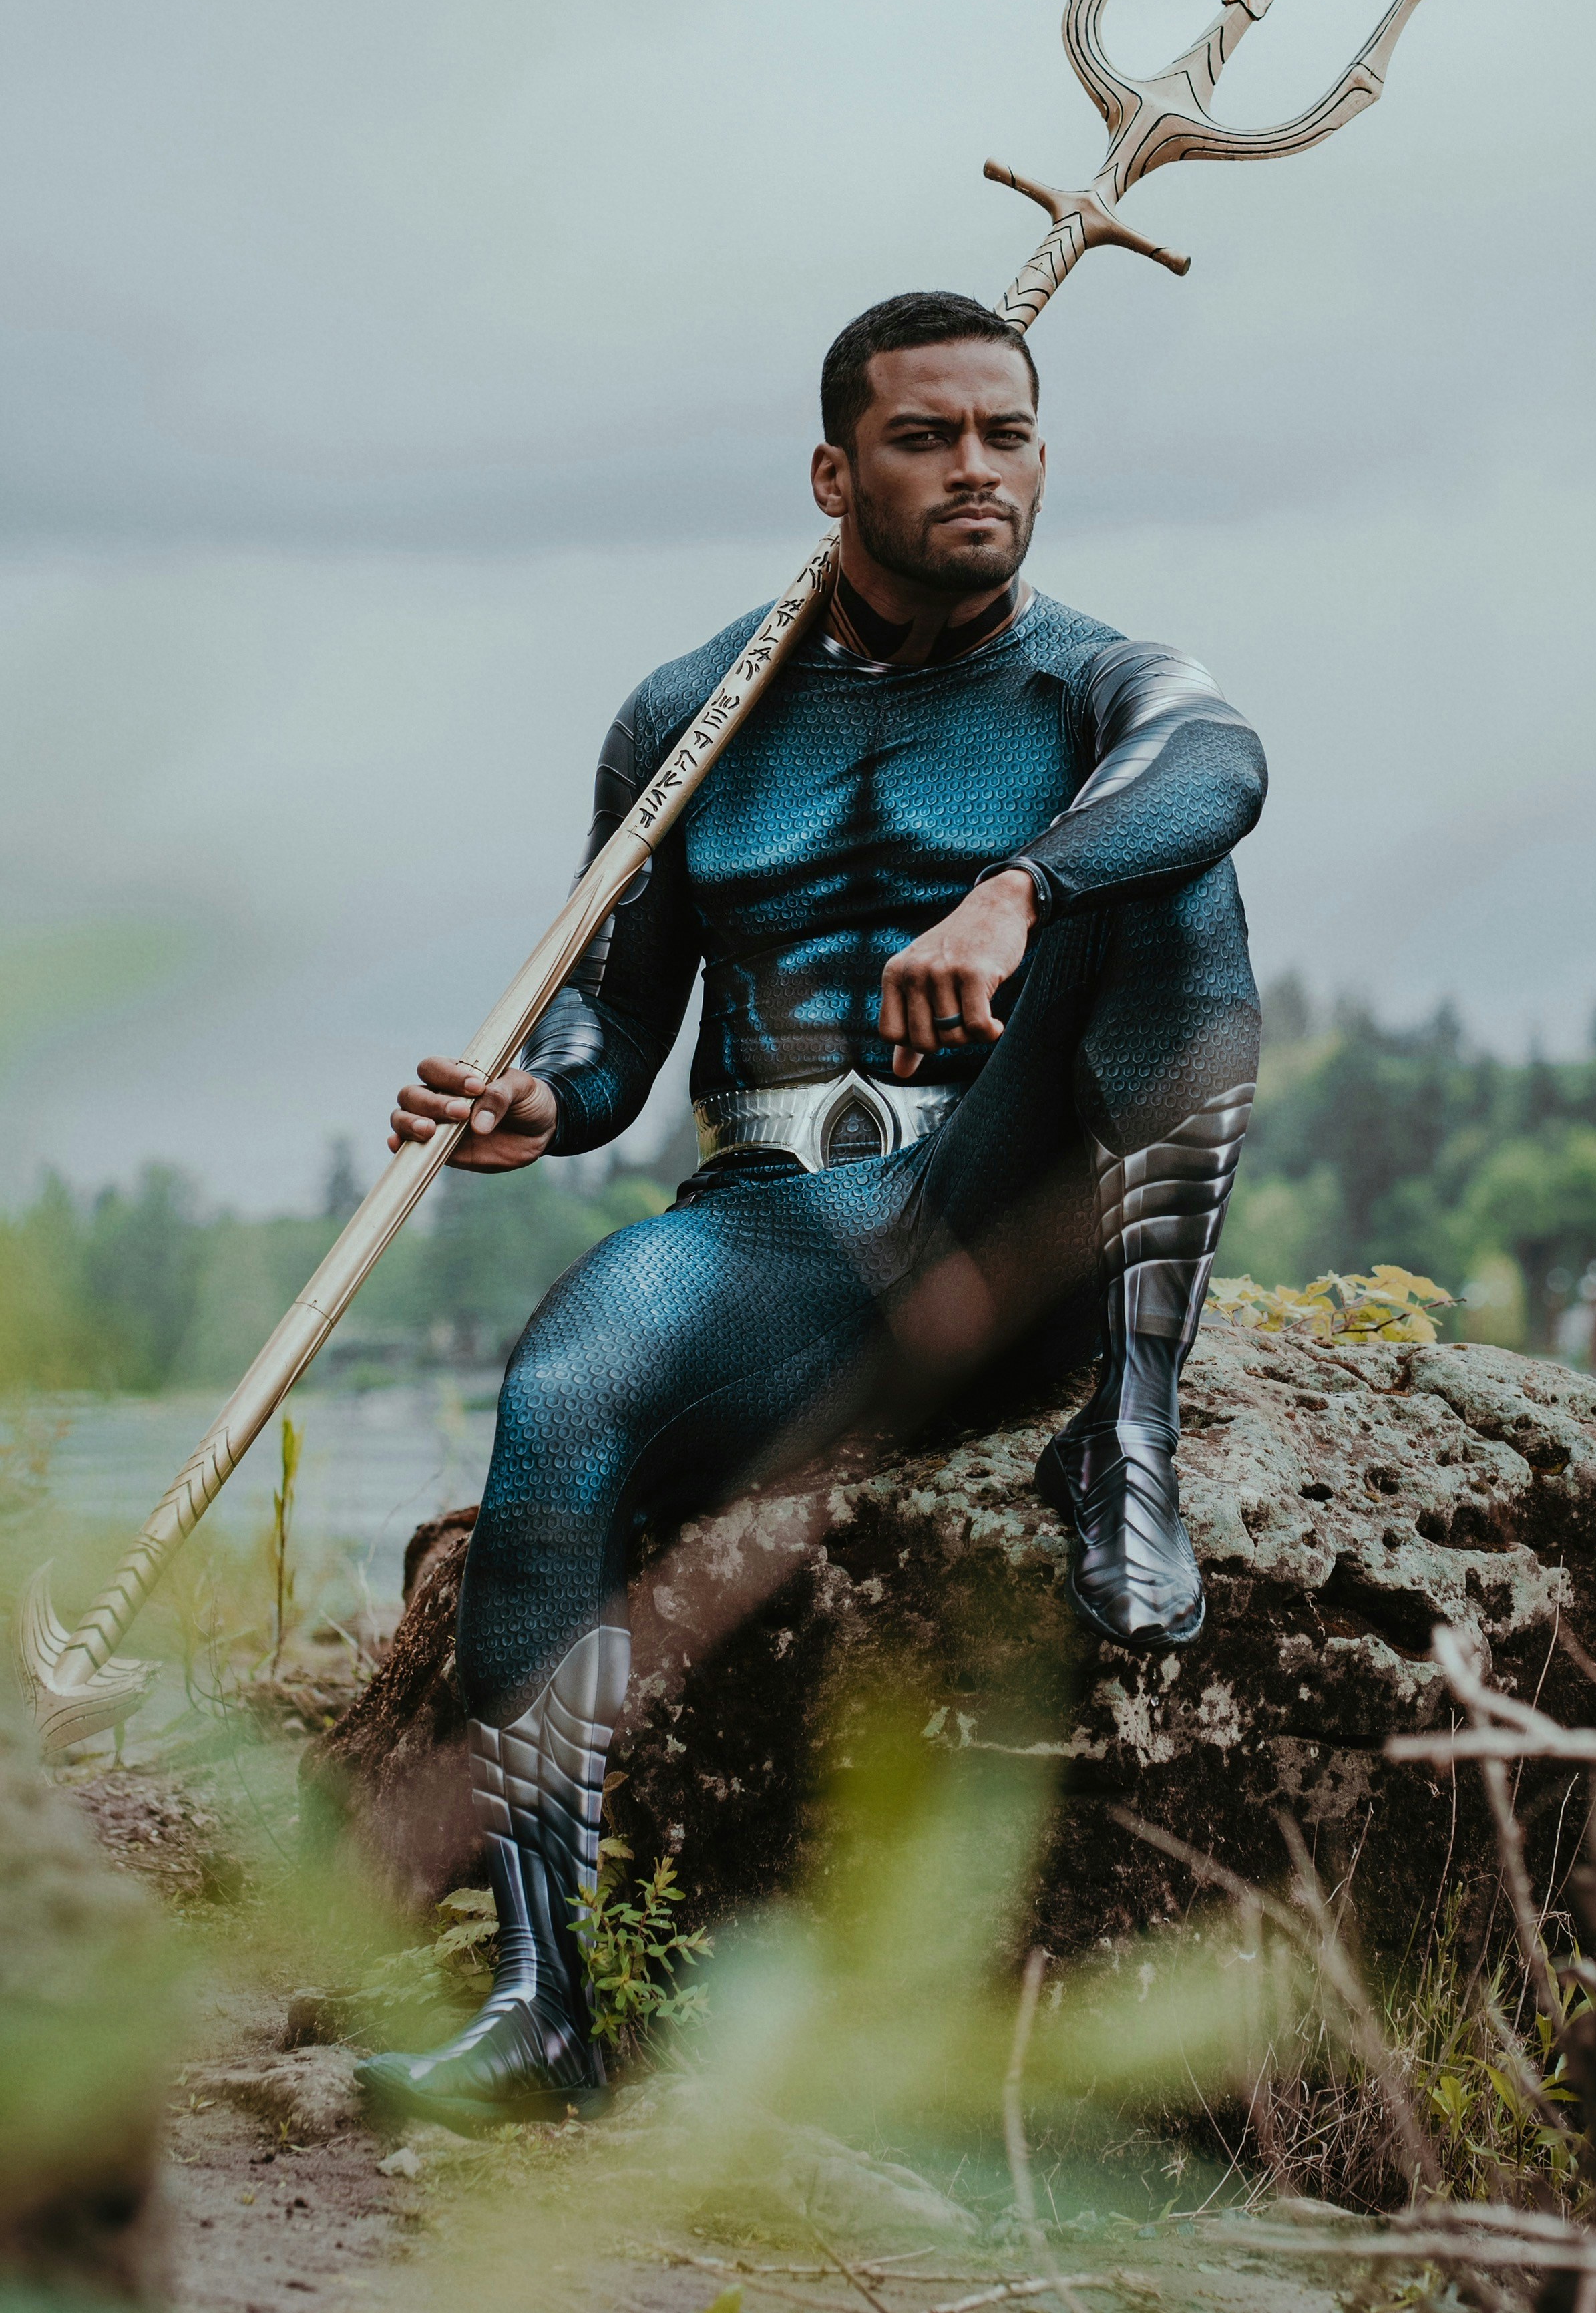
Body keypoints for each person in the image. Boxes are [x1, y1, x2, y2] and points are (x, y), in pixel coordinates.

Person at [355, 290, 1266, 2131]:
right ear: (835, 474)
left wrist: (1017, 889)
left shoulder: (1104, 688)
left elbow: (1223, 765)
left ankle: (1131, 1437)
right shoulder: (689, 717)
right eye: (926, 439)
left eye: (1006, 435)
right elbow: (618, 1028)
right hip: (780, 1239)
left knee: (1173, 869)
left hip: (1014, 1222)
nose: (976, 471)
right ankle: (543, 2000)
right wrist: (542, 1101)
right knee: (565, 1390)